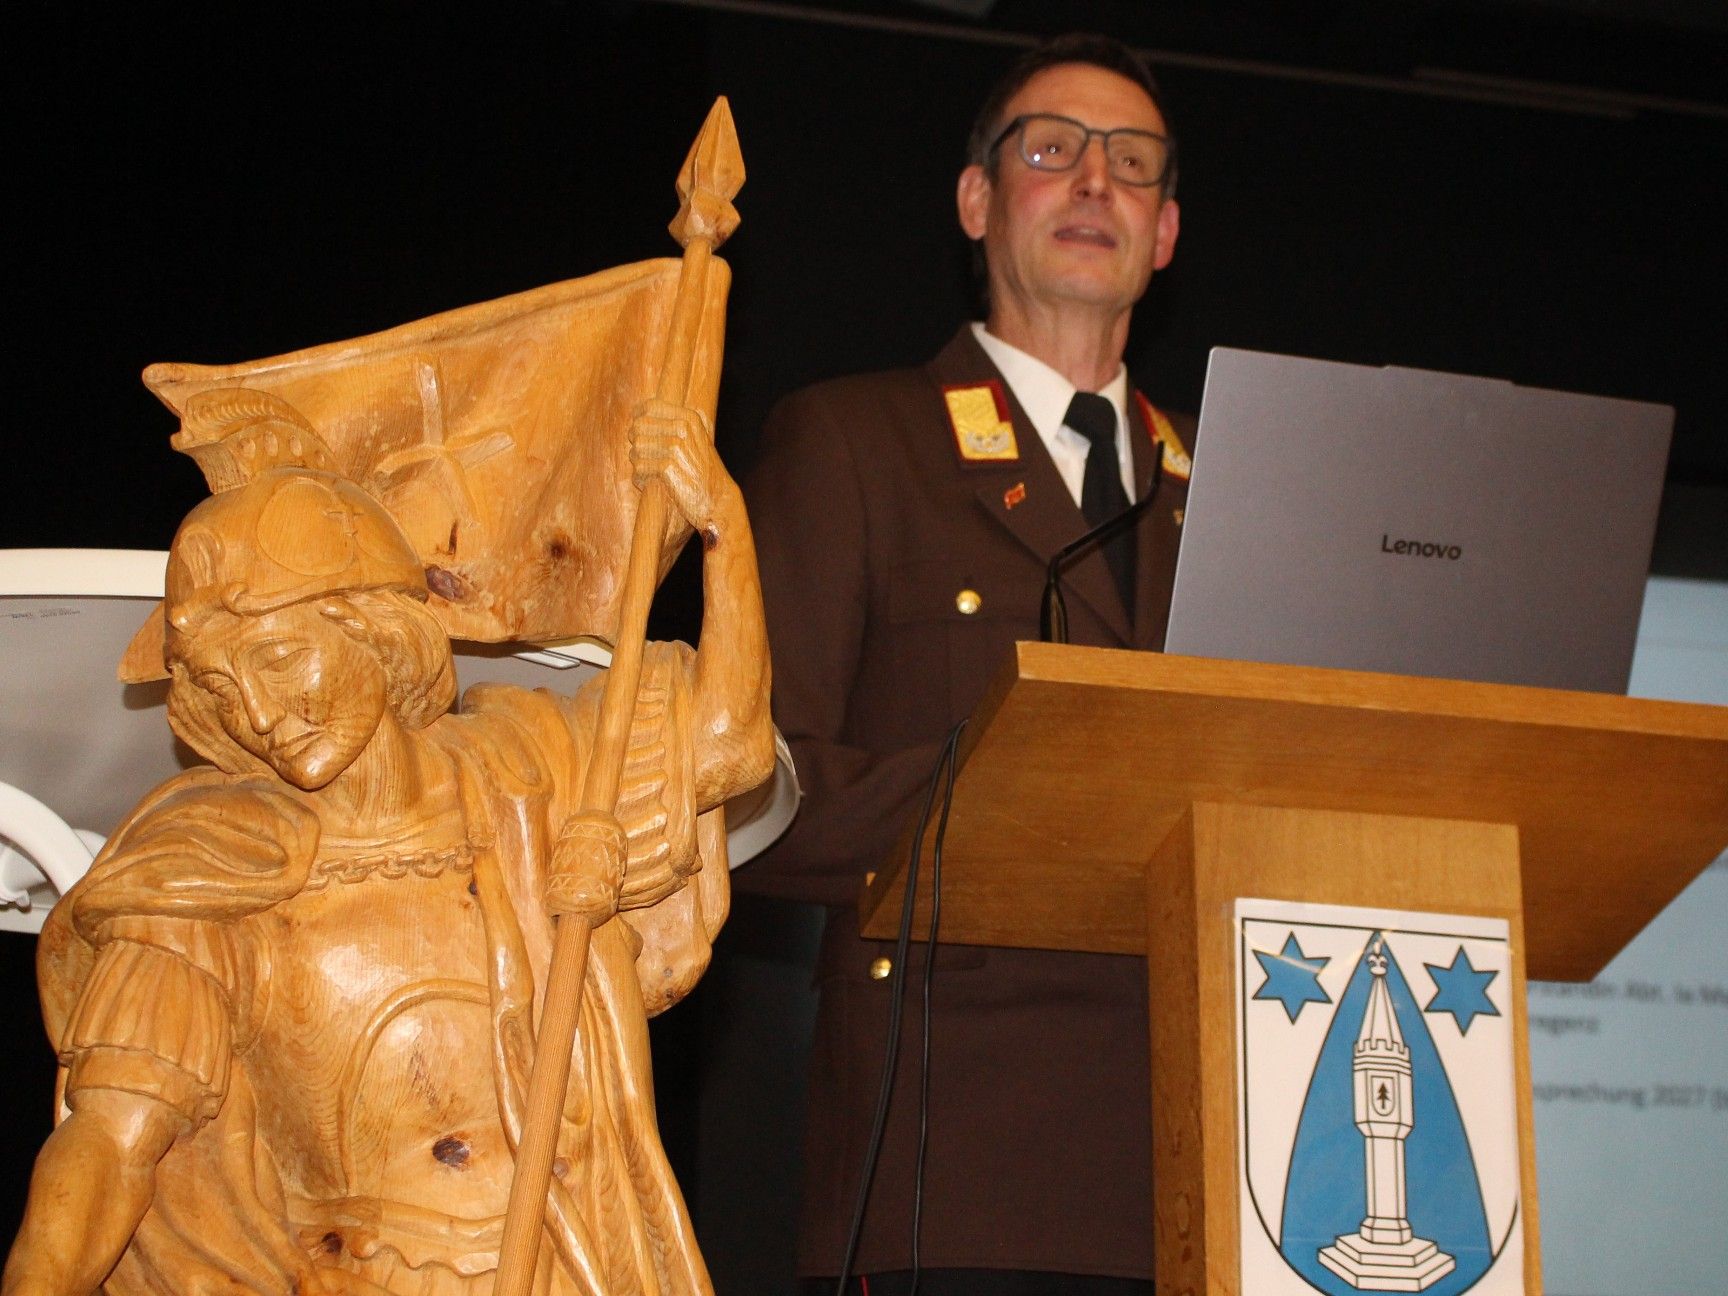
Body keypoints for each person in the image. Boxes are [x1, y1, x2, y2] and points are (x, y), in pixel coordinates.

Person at [2, 395, 773, 1296]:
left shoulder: (535, 772)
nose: (256, 712)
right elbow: (108, 1141)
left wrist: (724, 524)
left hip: (573, 1259)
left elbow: (724, 745)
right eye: (221, 681)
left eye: (284, 660)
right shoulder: (207, 863)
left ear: (375, 630)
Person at [742, 33, 1193, 1296]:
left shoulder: (1243, 484)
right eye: (1053, 152)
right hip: (966, 1165)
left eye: (1134, 165)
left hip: (1225, 1153)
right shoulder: (855, 440)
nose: (1095, 183)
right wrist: (1025, 788)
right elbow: (751, 796)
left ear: (1166, 233)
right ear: (977, 202)